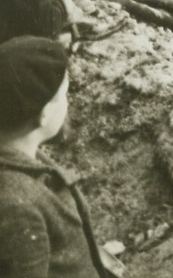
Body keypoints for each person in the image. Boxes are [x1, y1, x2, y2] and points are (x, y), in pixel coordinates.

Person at [0, 36, 117, 277]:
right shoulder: (16, 204)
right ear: (43, 115)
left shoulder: (25, 160)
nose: (67, 101)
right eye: (63, 94)